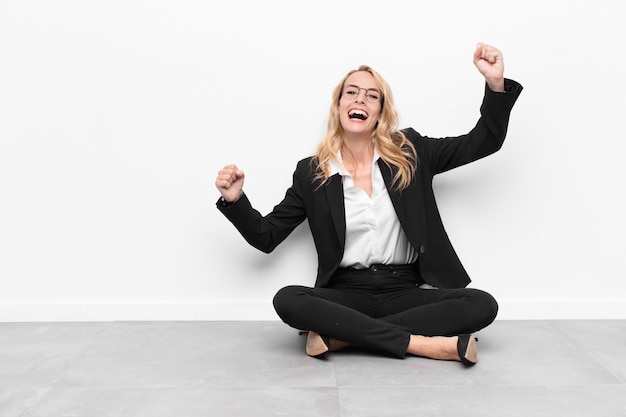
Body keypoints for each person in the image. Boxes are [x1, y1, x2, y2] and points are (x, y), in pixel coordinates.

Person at [215, 43, 522, 365]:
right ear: (338, 106)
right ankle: (428, 345)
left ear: (380, 112)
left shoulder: (412, 152)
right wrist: (234, 200)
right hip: (346, 293)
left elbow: (483, 142)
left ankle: (341, 337)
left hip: (405, 290)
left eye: (372, 95)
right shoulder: (312, 172)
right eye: (351, 92)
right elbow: (266, 237)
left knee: (481, 303)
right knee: (289, 299)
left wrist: (495, 85)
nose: (361, 99)